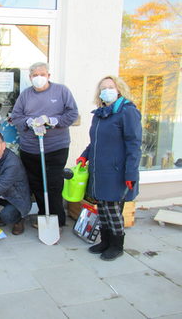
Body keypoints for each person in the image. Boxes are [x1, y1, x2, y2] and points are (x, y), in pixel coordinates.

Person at [77, 75, 142, 261]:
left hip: (117, 172)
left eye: (110, 87)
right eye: (103, 88)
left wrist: (131, 173)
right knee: (103, 209)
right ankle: (105, 241)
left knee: (113, 210)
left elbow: (134, 145)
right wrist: (84, 155)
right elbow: (95, 142)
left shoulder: (127, 112)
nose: (106, 90)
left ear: (119, 89)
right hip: (100, 171)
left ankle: (117, 245)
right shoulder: (100, 114)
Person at [12, 62, 78, 228]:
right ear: (30, 78)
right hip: (30, 149)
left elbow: (72, 114)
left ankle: (57, 221)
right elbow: (16, 116)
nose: (38, 78)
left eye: (42, 74)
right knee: (37, 184)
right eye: (35, 75)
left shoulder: (61, 91)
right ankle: (44, 215)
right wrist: (28, 121)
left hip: (56, 148)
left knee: (53, 184)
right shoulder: (26, 95)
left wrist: (53, 121)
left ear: (48, 75)